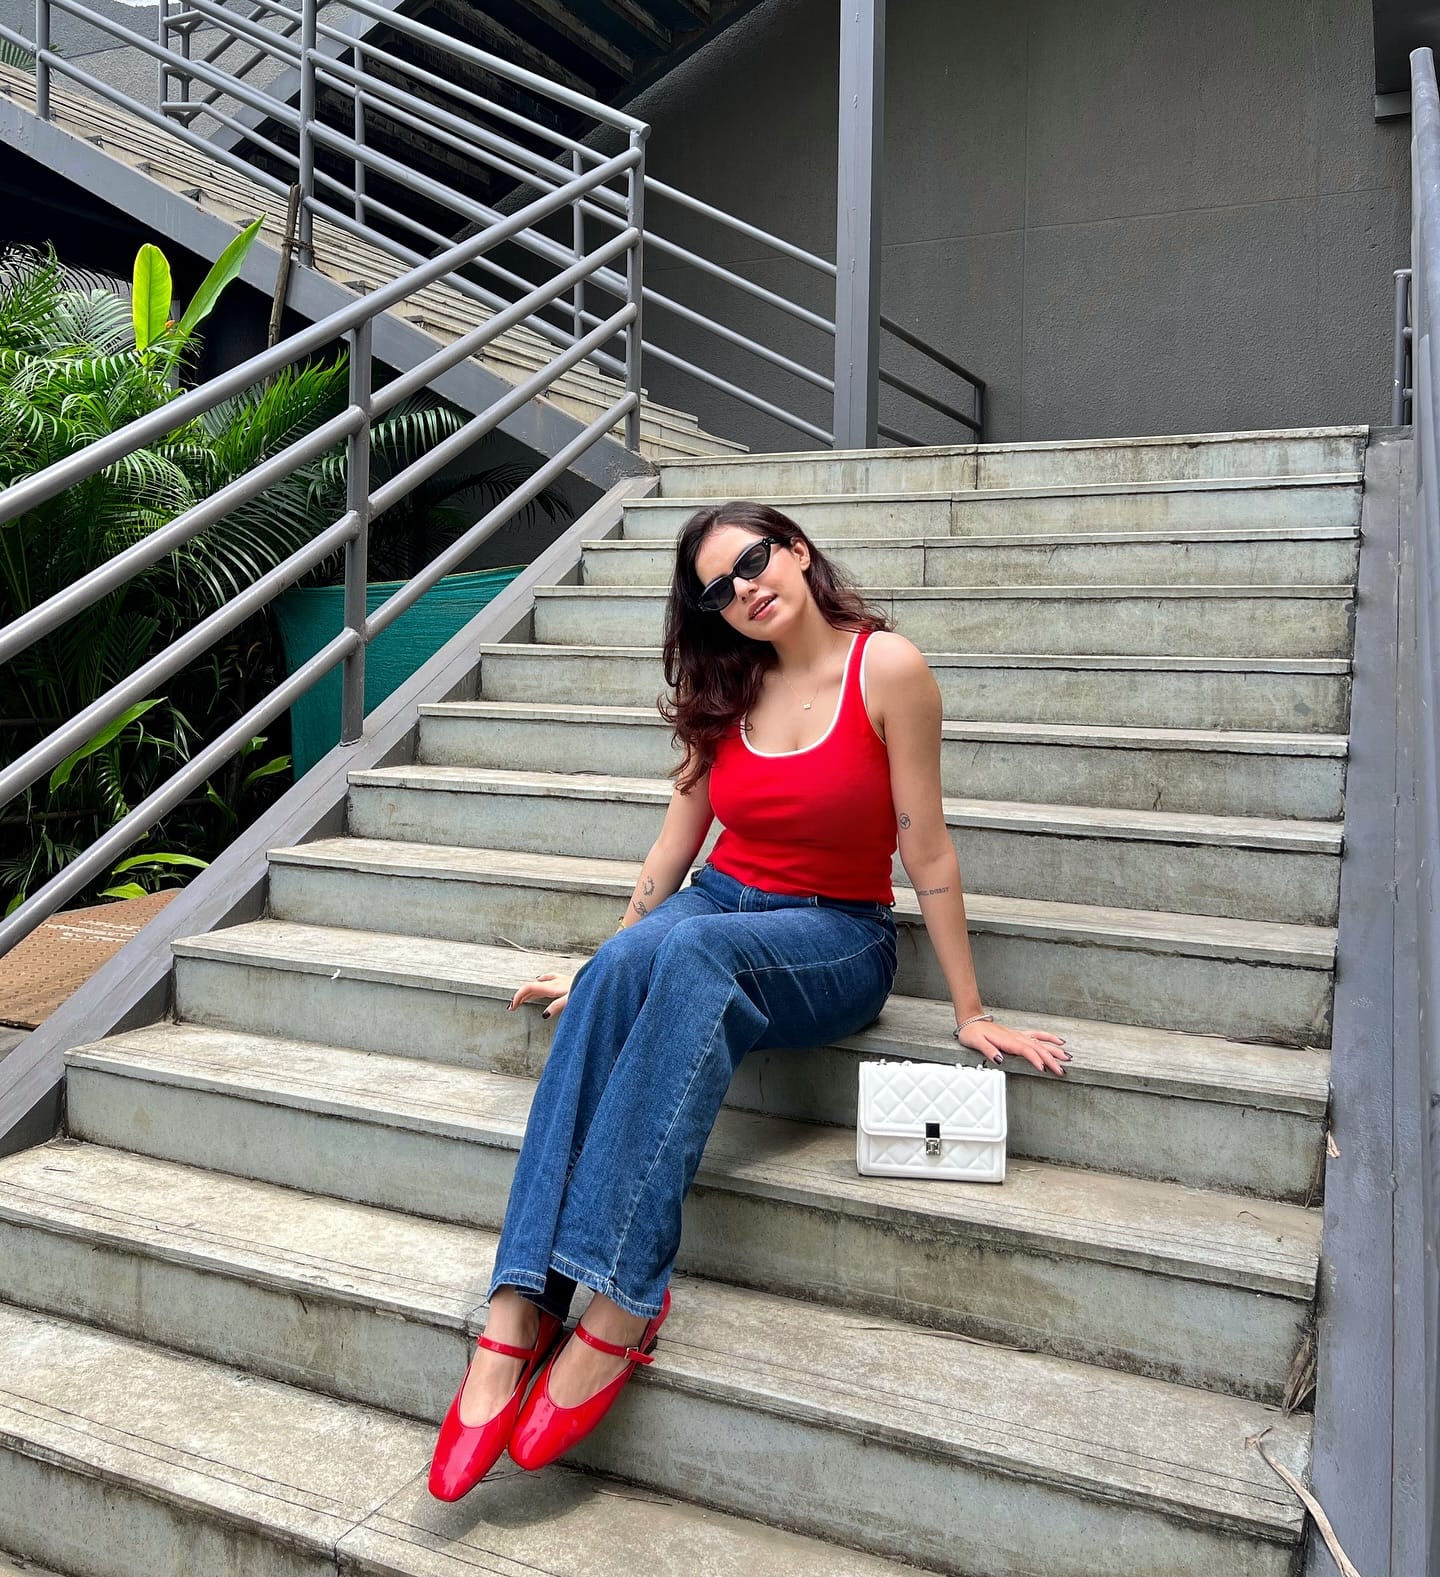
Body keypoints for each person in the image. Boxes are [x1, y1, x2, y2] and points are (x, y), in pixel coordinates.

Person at [427, 500, 1071, 1499]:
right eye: (719, 589)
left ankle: (623, 1299)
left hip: (836, 933)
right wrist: (607, 961)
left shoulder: (888, 668)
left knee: (691, 956)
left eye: (756, 561)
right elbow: (674, 846)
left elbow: (929, 849)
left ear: (798, 550)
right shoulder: (725, 684)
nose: (745, 590)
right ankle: (519, 1304)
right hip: (717, 901)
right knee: (631, 964)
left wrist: (970, 1009)